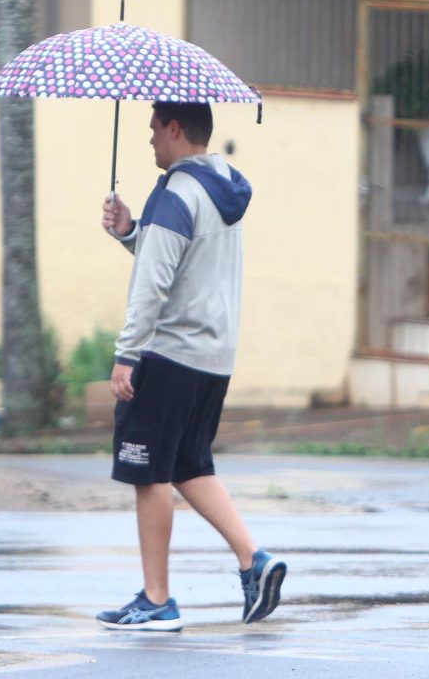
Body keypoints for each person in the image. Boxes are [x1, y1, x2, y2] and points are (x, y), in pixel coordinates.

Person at [94, 101, 286, 632]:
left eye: (154, 129)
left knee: (148, 470)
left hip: (167, 352)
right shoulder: (220, 185)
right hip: (212, 358)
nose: (150, 139)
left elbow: (154, 284)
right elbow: (181, 264)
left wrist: (126, 355)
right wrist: (133, 229)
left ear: (175, 128)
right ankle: (255, 559)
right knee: (189, 465)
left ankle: (157, 599)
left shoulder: (175, 193)